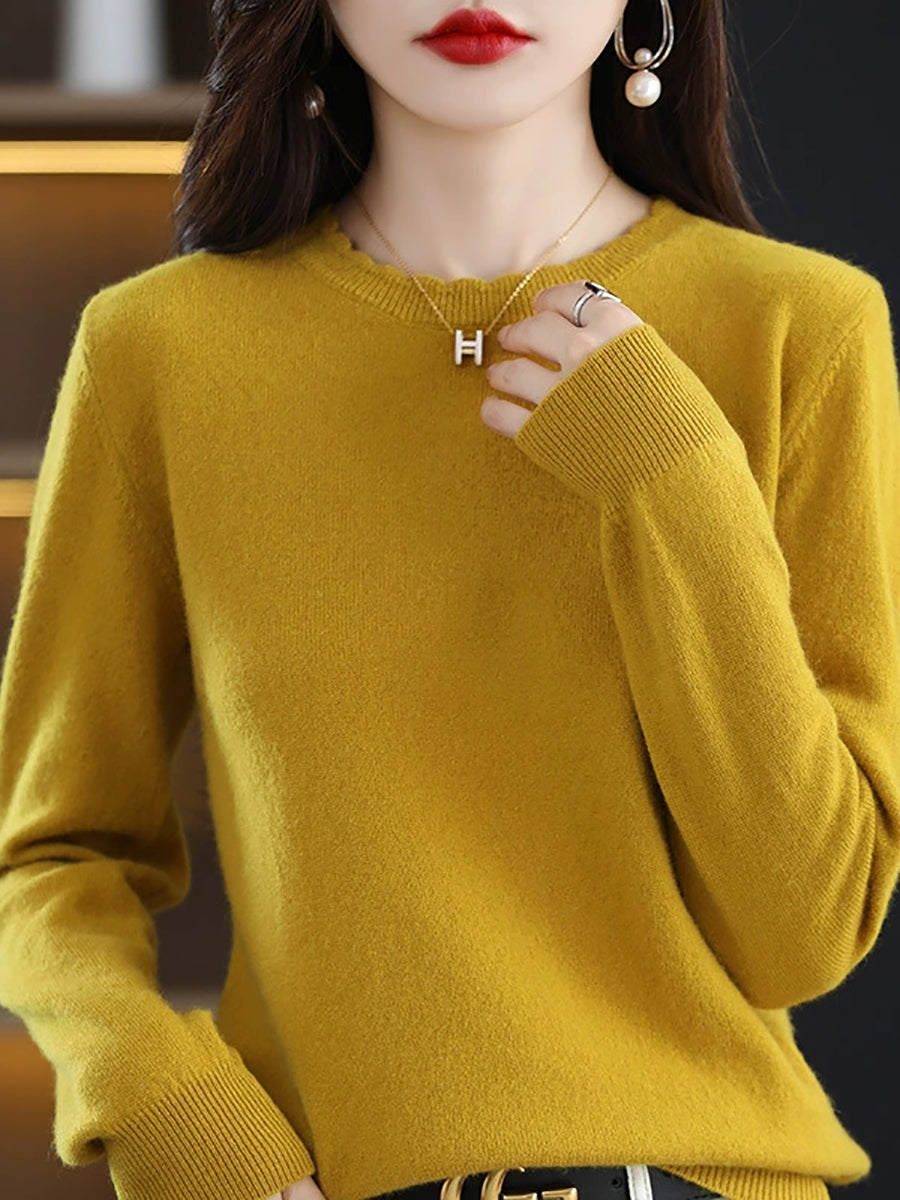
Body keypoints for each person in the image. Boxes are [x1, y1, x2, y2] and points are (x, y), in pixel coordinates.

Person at [1, 2, 898, 1200]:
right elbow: (46, 859)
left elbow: (805, 932)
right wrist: (169, 1112)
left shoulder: (803, 328)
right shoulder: (158, 351)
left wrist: (672, 477)